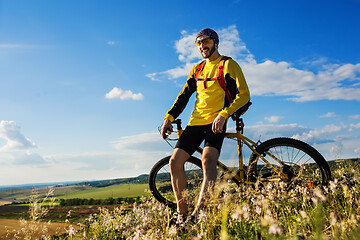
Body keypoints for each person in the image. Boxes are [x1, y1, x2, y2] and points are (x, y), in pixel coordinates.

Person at [161, 28, 250, 223]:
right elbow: (184, 96)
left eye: (206, 41)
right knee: (174, 163)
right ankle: (181, 214)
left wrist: (224, 115)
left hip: (216, 121)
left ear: (215, 42)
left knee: (208, 161)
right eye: (199, 43)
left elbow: (244, 94)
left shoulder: (228, 64)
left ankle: (198, 216)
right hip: (196, 122)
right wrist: (169, 117)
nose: (203, 46)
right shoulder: (197, 69)